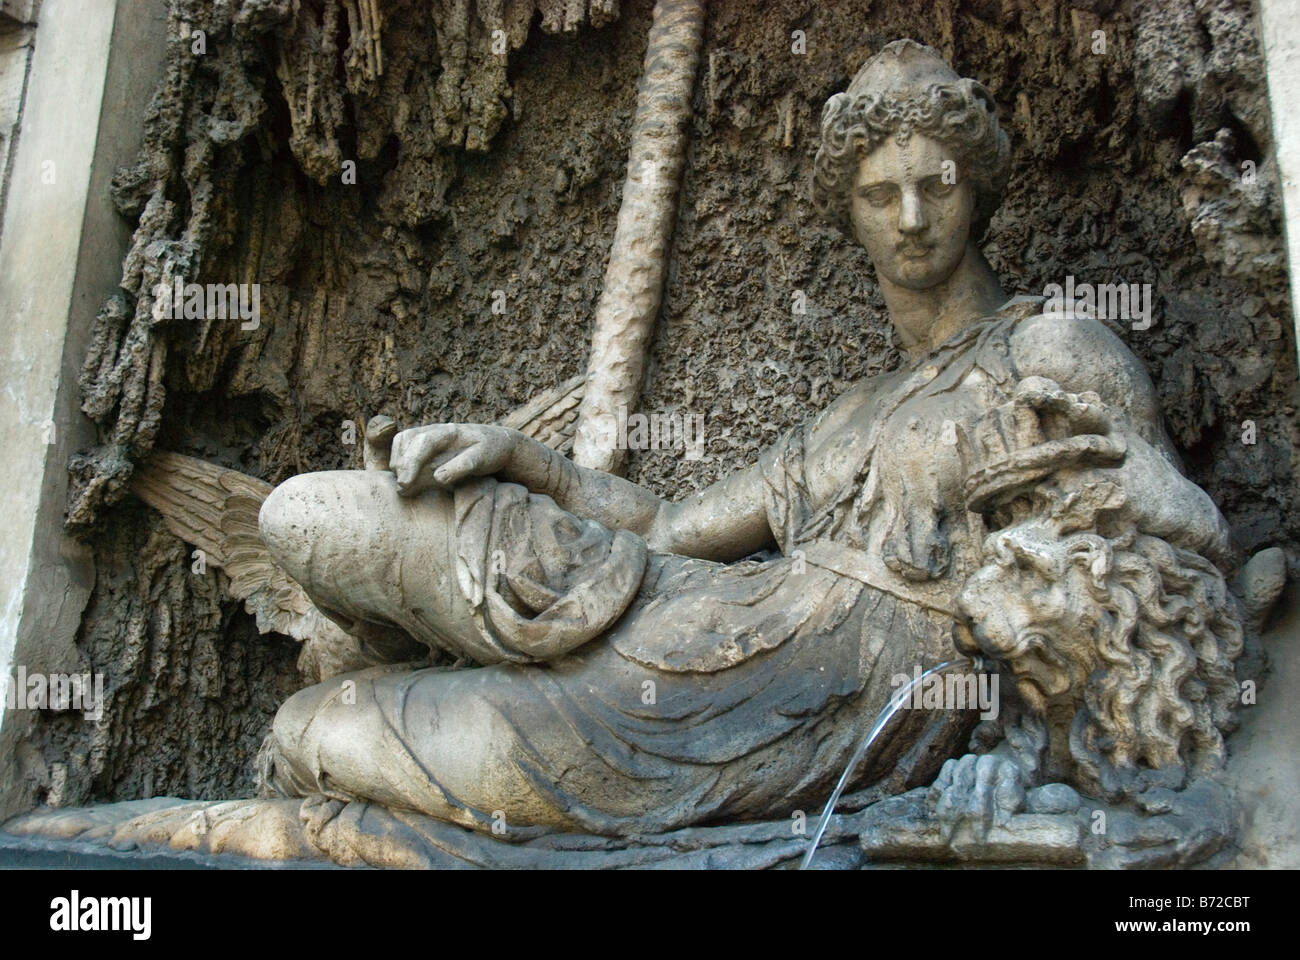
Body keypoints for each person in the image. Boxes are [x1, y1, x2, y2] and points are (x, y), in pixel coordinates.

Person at [257, 40, 1231, 837]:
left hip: (813, 700)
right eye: (879, 194)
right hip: (705, 614)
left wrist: (1024, 729)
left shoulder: (1050, 344)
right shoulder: (844, 415)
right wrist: (523, 461)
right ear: (846, 210)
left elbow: (1184, 536)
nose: (910, 218)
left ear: (976, 189)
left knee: (321, 732)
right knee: (308, 517)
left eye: (935, 185)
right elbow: (671, 529)